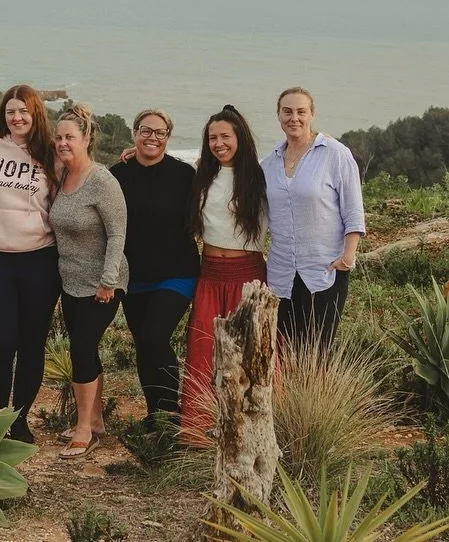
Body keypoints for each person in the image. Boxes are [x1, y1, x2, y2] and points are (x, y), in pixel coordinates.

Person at [0, 85, 60, 444]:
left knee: (31, 344)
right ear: (3, 114)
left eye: (24, 111)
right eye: (11, 111)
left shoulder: (51, 153)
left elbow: (85, 172)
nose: (17, 117)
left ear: (35, 114)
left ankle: (21, 419)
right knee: (0, 343)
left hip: (40, 261)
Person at [179, 105, 267, 442]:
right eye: (212, 137)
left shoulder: (261, 175)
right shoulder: (201, 174)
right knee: (204, 351)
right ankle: (200, 431)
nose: (218, 143)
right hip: (210, 273)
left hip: (249, 275)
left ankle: (252, 432)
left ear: (239, 138)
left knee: (252, 353)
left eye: (225, 136)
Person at [109, 109, 199, 430]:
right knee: (143, 346)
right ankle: (154, 416)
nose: (152, 138)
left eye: (160, 133)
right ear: (134, 133)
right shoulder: (116, 174)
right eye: (146, 131)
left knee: (154, 337)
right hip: (134, 277)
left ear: (168, 138)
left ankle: (170, 413)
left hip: (177, 273)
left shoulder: (184, 175)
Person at [48, 104, 128, 459]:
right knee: (86, 349)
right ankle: (95, 420)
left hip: (103, 283)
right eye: (59, 136)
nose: (64, 142)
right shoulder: (62, 176)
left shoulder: (102, 181)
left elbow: (117, 234)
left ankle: (83, 429)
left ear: (87, 138)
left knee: (81, 349)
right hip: (70, 281)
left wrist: (108, 280)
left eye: (70, 137)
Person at [262, 87, 365, 352]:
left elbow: (353, 210)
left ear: (312, 114)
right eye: (287, 111)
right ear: (279, 116)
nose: (293, 118)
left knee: (318, 351)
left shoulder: (335, 153)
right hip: (281, 274)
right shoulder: (269, 163)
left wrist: (348, 257)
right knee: (285, 352)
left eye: (300, 111)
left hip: (325, 270)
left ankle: (317, 396)